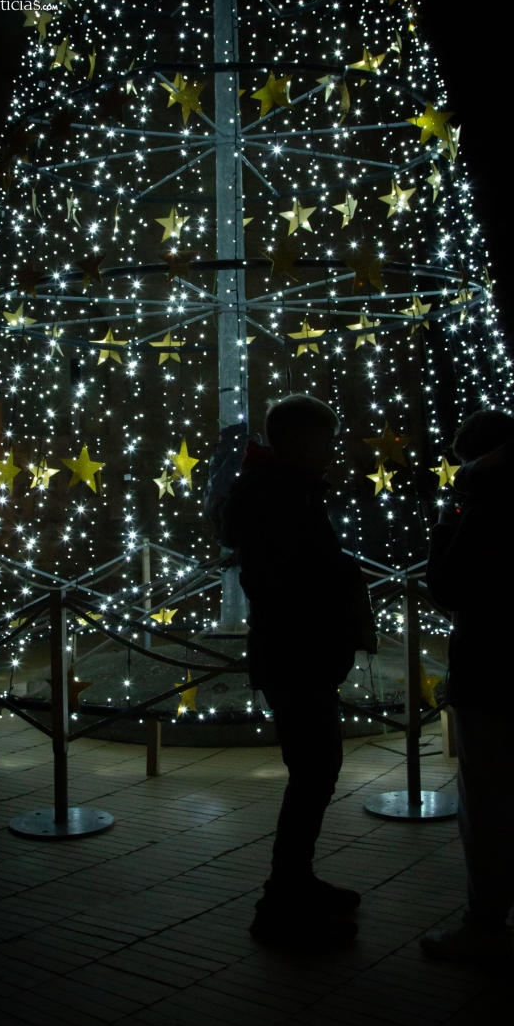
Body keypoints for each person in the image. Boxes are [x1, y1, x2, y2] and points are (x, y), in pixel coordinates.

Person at [222, 394, 376, 947]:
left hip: (299, 652)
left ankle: (295, 882)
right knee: (313, 774)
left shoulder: (286, 490)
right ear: (297, 442)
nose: (330, 451)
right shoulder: (277, 495)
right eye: (322, 441)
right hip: (296, 654)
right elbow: (288, 578)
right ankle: (280, 903)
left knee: (316, 773)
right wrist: (337, 585)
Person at [422, 410, 514, 962]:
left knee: (484, 800)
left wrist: (448, 520)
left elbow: (448, 584)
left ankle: (484, 924)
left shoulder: (492, 500)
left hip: (488, 666)